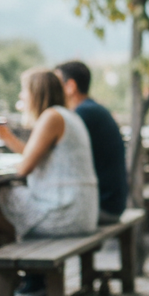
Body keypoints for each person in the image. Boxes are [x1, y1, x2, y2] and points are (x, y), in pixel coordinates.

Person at [0, 68, 99, 296]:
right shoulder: (67, 115)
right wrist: (7, 137)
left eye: (24, 91)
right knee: (0, 204)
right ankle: (29, 279)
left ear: (36, 93)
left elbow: (24, 168)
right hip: (81, 211)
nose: (21, 97)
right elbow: (33, 155)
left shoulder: (51, 117)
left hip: (65, 212)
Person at [55, 60, 128, 225]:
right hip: (114, 203)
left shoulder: (82, 115)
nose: (51, 87)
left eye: (55, 83)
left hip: (103, 206)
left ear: (71, 86)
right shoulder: (93, 109)